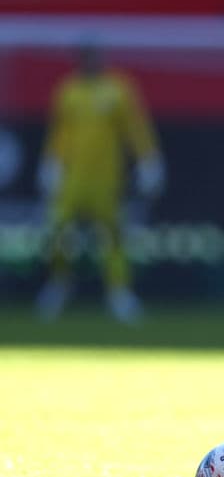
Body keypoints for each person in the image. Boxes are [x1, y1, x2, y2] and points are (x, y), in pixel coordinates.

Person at [35, 42, 164, 323]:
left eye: (93, 55)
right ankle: (59, 284)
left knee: (113, 235)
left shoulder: (119, 89)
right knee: (58, 229)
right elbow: (60, 131)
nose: (89, 61)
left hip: (106, 179)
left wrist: (148, 159)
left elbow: (135, 128)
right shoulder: (68, 90)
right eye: (84, 56)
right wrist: (51, 162)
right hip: (73, 179)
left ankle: (119, 293)